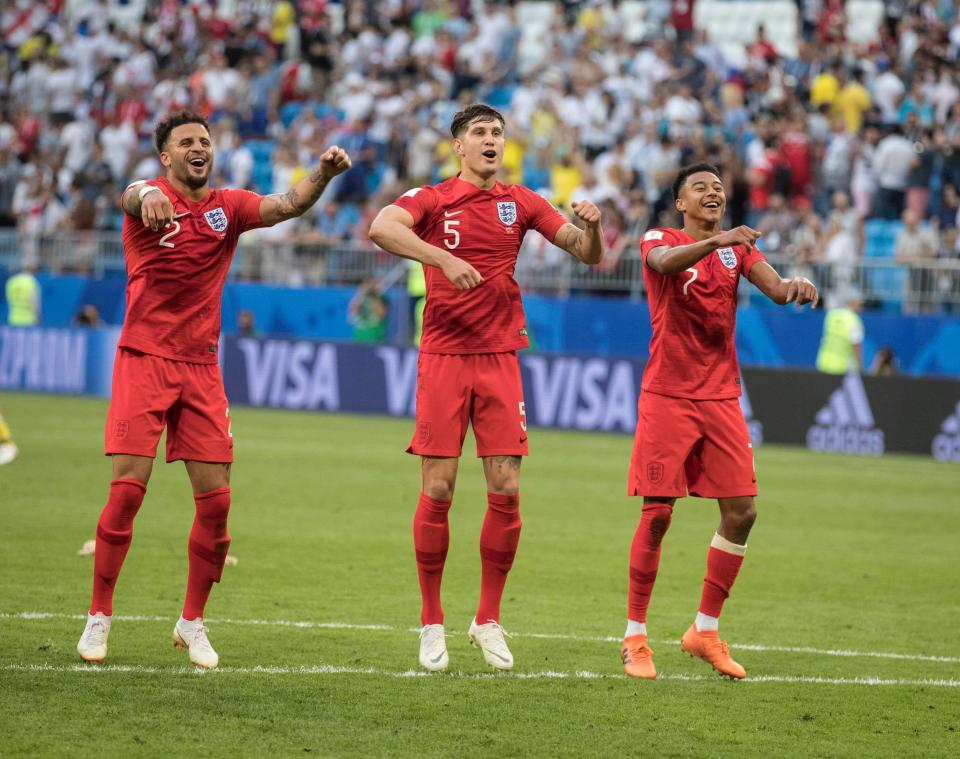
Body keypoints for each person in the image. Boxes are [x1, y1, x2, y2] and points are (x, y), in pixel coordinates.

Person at [76, 110, 351, 669]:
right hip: (144, 359)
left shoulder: (227, 207)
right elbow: (132, 197)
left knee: (218, 504)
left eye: (204, 141)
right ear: (167, 157)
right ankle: (99, 615)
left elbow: (287, 205)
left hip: (201, 368)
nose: (198, 148)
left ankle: (192, 621)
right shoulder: (148, 197)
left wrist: (321, 173)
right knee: (128, 490)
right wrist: (140, 194)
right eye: (186, 142)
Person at [369, 103, 605, 672]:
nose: (491, 140)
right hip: (444, 357)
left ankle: (487, 619)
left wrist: (593, 229)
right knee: (441, 487)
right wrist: (442, 260)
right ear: (458, 146)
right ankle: (431, 623)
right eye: (480, 132)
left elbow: (586, 254)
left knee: (506, 487)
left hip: (501, 356)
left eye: (497, 132)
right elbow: (381, 227)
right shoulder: (431, 198)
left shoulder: (520, 201)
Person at [621, 163, 819, 680]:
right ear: (680, 203)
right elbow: (664, 264)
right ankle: (635, 637)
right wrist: (716, 242)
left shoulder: (738, 249)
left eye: (717, 187)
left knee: (743, 512)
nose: (713, 193)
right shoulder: (659, 238)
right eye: (700, 188)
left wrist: (794, 285)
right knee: (659, 513)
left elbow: (774, 290)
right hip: (667, 394)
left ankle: (703, 630)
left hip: (721, 396)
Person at [816, 291, 864, 374]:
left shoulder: (831, 315)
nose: (861, 308)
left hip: (823, 363)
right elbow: (856, 348)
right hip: (841, 369)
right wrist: (860, 368)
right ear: (851, 302)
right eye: (859, 304)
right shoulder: (854, 320)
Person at [348, 278, 389, 343]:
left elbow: (381, 314)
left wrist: (374, 295)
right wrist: (362, 293)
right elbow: (354, 311)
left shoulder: (382, 299)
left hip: (375, 336)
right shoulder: (359, 298)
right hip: (360, 336)